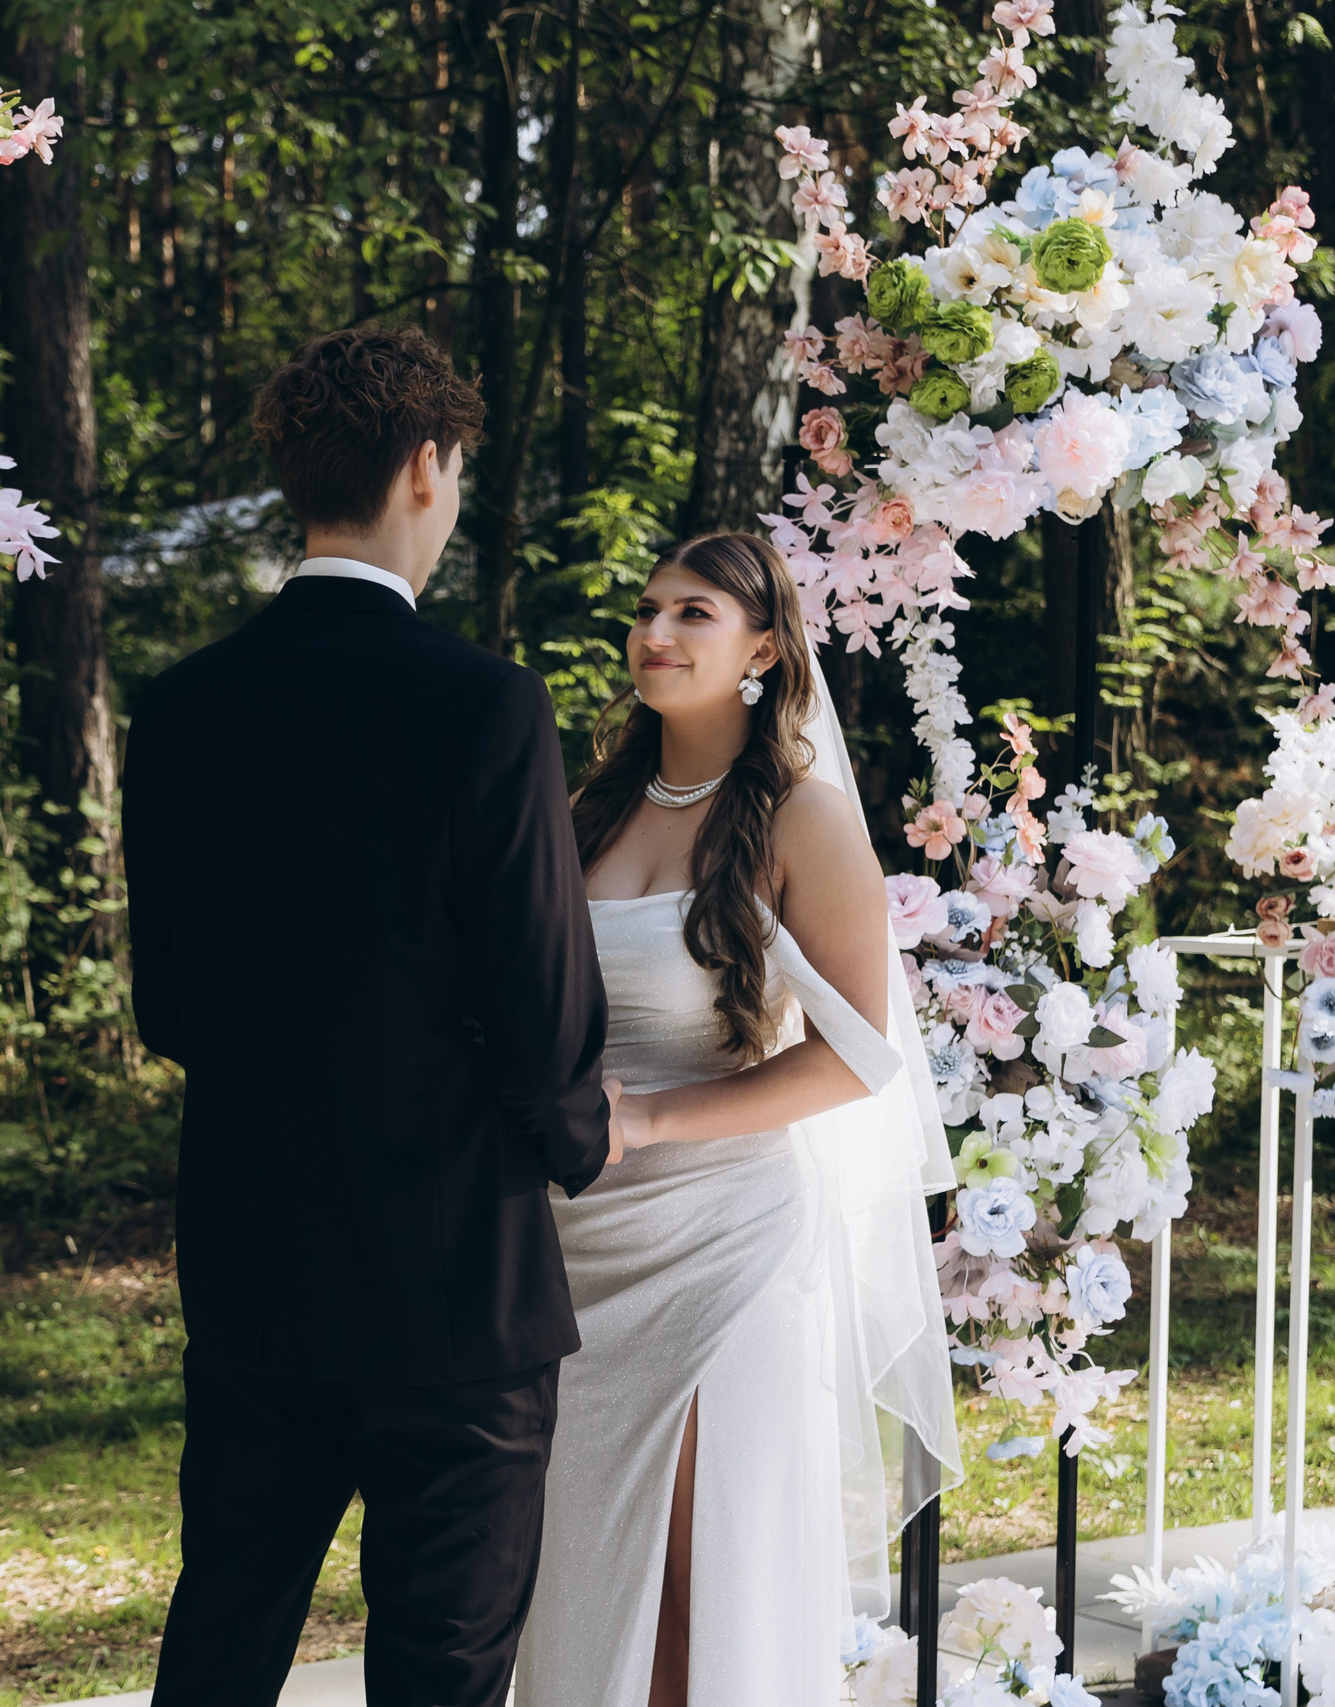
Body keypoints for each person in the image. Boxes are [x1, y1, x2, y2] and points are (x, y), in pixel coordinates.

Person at [125, 325, 613, 1707]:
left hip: (254, 1255)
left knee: (222, 1627)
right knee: (442, 1664)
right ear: (424, 467)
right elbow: (541, 994)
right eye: (452, 472)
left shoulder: (182, 706)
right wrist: (579, 1135)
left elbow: (171, 1002)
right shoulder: (486, 704)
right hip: (456, 1273)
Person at [513, 532, 959, 1706]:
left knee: (688, 1589)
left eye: (692, 613)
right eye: (646, 610)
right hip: (576, 1250)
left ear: (762, 647)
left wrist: (652, 1122)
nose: (654, 633)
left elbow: (861, 1058)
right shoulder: (584, 810)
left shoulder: (800, 818)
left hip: (721, 1247)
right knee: (578, 1576)